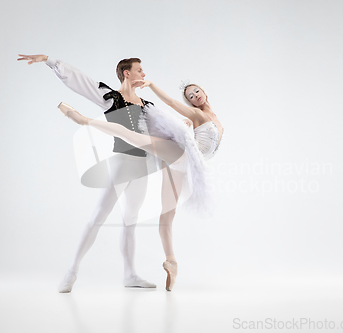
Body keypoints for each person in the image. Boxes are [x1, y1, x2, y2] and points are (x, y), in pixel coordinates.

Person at [57, 80, 223, 291]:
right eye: (190, 96)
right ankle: (83, 120)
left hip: (185, 165)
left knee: (167, 215)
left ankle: (171, 261)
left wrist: (188, 128)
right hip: (179, 153)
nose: (195, 96)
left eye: (196, 91)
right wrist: (153, 86)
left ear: (204, 90)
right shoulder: (198, 115)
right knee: (132, 136)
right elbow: (171, 102)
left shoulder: (213, 119)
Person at [17, 54, 157, 292]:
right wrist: (51, 61)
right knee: (98, 217)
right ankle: (71, 272)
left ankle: (130, 274)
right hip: (122, 162)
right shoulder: (112, 97)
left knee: (131, 222)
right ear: (127, 73)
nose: (143, 73)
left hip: (143, 167)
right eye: (139, 70)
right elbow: (81, 81)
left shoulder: (148, 106)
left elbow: (164, 133)